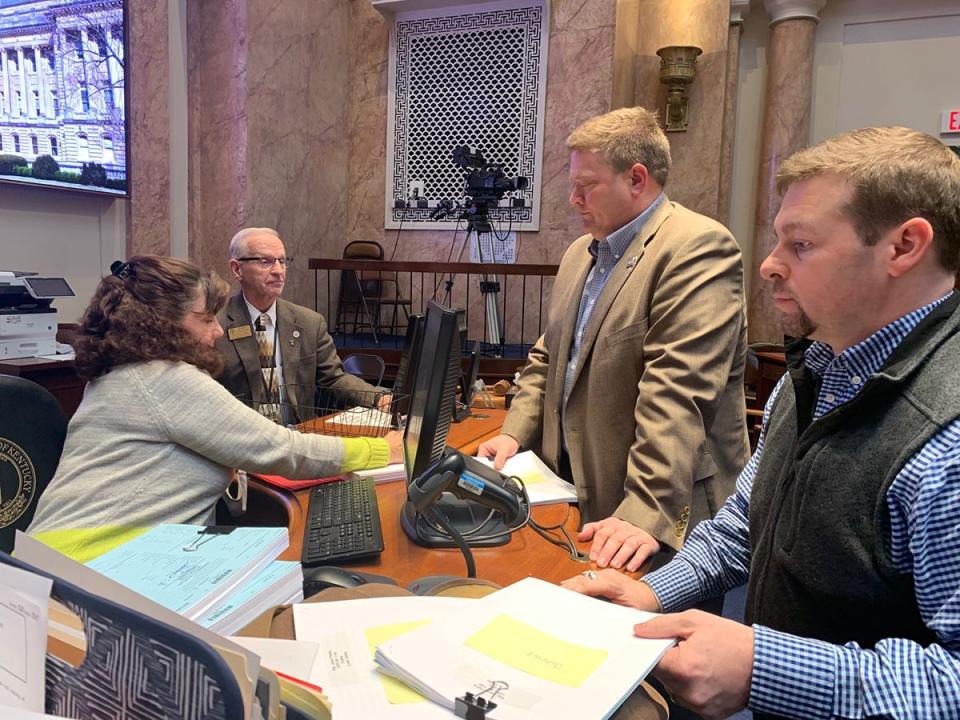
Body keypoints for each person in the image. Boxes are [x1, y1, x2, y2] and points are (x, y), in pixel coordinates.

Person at [563, 126, 960, 719]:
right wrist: (649, 593)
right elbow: (742, 529)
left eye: (800, 245)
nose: (770, 266)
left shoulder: (947, 441)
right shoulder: (818, 368)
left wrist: (766, 670)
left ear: (904, 247)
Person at [478, 106, 749, 572]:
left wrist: (645, 509)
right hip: (569, 492)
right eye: (572, 186)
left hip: (656, 513)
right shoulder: (578, 255)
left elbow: (678, 392)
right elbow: (549, 358)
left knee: (658, 643)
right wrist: (512, 433)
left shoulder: (697, 247)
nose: (573, 199)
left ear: (636, 179)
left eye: (586, 186)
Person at [28, 256, 402, 563]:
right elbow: (282, 449)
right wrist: (382, 449)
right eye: (206, 319)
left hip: (68, 559)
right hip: (93, 564)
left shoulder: (126, 372)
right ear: (161, 324)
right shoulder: (163, 377)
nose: (218, 331)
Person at [215, 227, 387, 421]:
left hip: (298, 436)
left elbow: (333, 378)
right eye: (266, 262)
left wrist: (379, 397)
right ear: (237, 269)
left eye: (282, 261)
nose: (278, 271)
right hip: (242, 441)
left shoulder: (309, 323)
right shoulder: (215, 327)